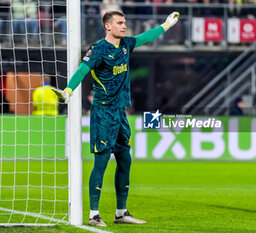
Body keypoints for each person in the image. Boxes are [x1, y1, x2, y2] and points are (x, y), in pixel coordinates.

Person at [52, 10, 180, 226]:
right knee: (101, 162)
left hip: (121, 112)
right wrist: (68, 91)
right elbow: (82, 71)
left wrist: (166, 25)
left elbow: (145, 37)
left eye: (125, 22)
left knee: (125, 160)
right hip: (103, 112)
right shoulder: (98, 49)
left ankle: (121, 213)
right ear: (108, 26)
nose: (124, 26)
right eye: (120, 23)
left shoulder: (125, 44)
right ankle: (94, 215)